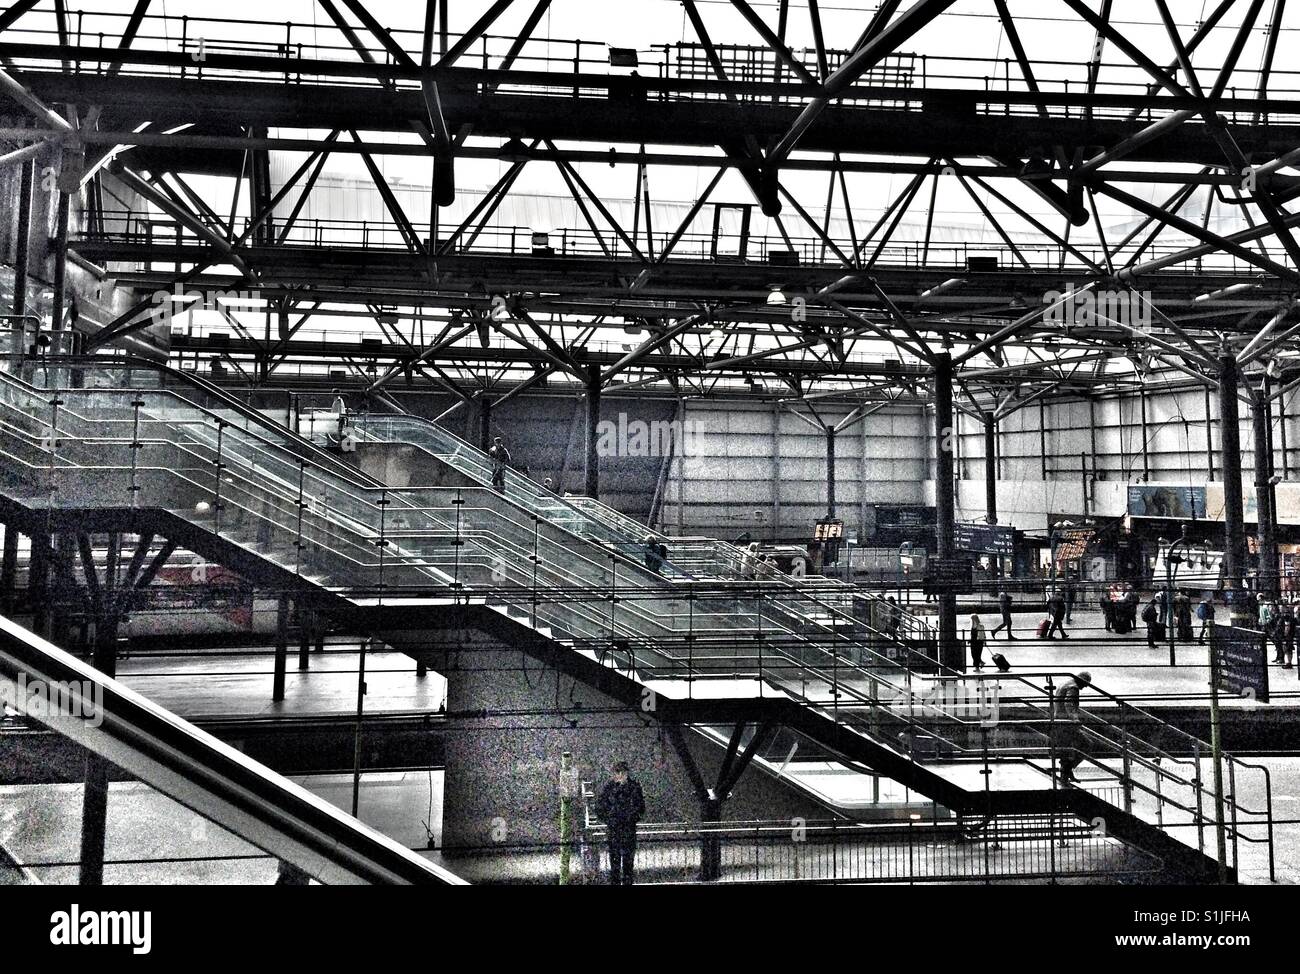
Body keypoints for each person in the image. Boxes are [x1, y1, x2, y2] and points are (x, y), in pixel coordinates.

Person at [594, 760, 645, 885]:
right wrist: (611, 819)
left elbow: (640, 807)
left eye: (622, 772)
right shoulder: (610, 788)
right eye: (618, 772)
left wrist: (629, 817)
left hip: (626, 829)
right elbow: (600, 807)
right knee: (615, 865)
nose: (620, 775)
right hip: (617, 829)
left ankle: (625, 882)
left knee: (627, 864)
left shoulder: (633, 787)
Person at [1051, 671, 1092, 785]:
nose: (1086, 686)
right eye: (1086, 683)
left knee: (1066, 749)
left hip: (1058, 721)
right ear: (1081, 680)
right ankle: (1067, 771)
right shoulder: (1073, 687)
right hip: (1066, 723)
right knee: (1087, 744)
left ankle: (1066, 773)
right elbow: (1069, 704)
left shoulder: (1065, 683)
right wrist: (1075, 719)